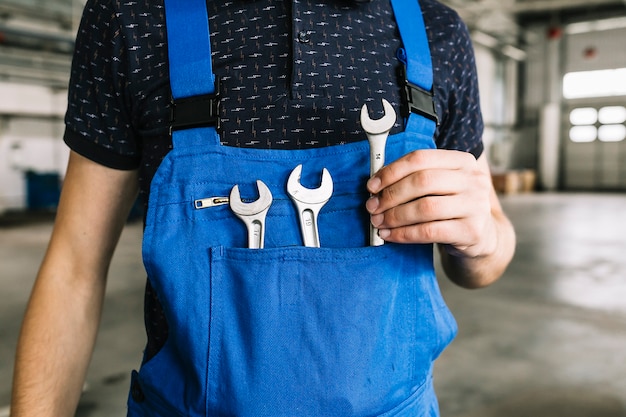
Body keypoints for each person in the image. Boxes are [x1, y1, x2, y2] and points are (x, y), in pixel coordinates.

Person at [11, 0, 515, 415]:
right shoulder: (133, 16)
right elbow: (74, 271)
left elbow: (488, 255)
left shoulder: (436, 31)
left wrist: (482, 241)